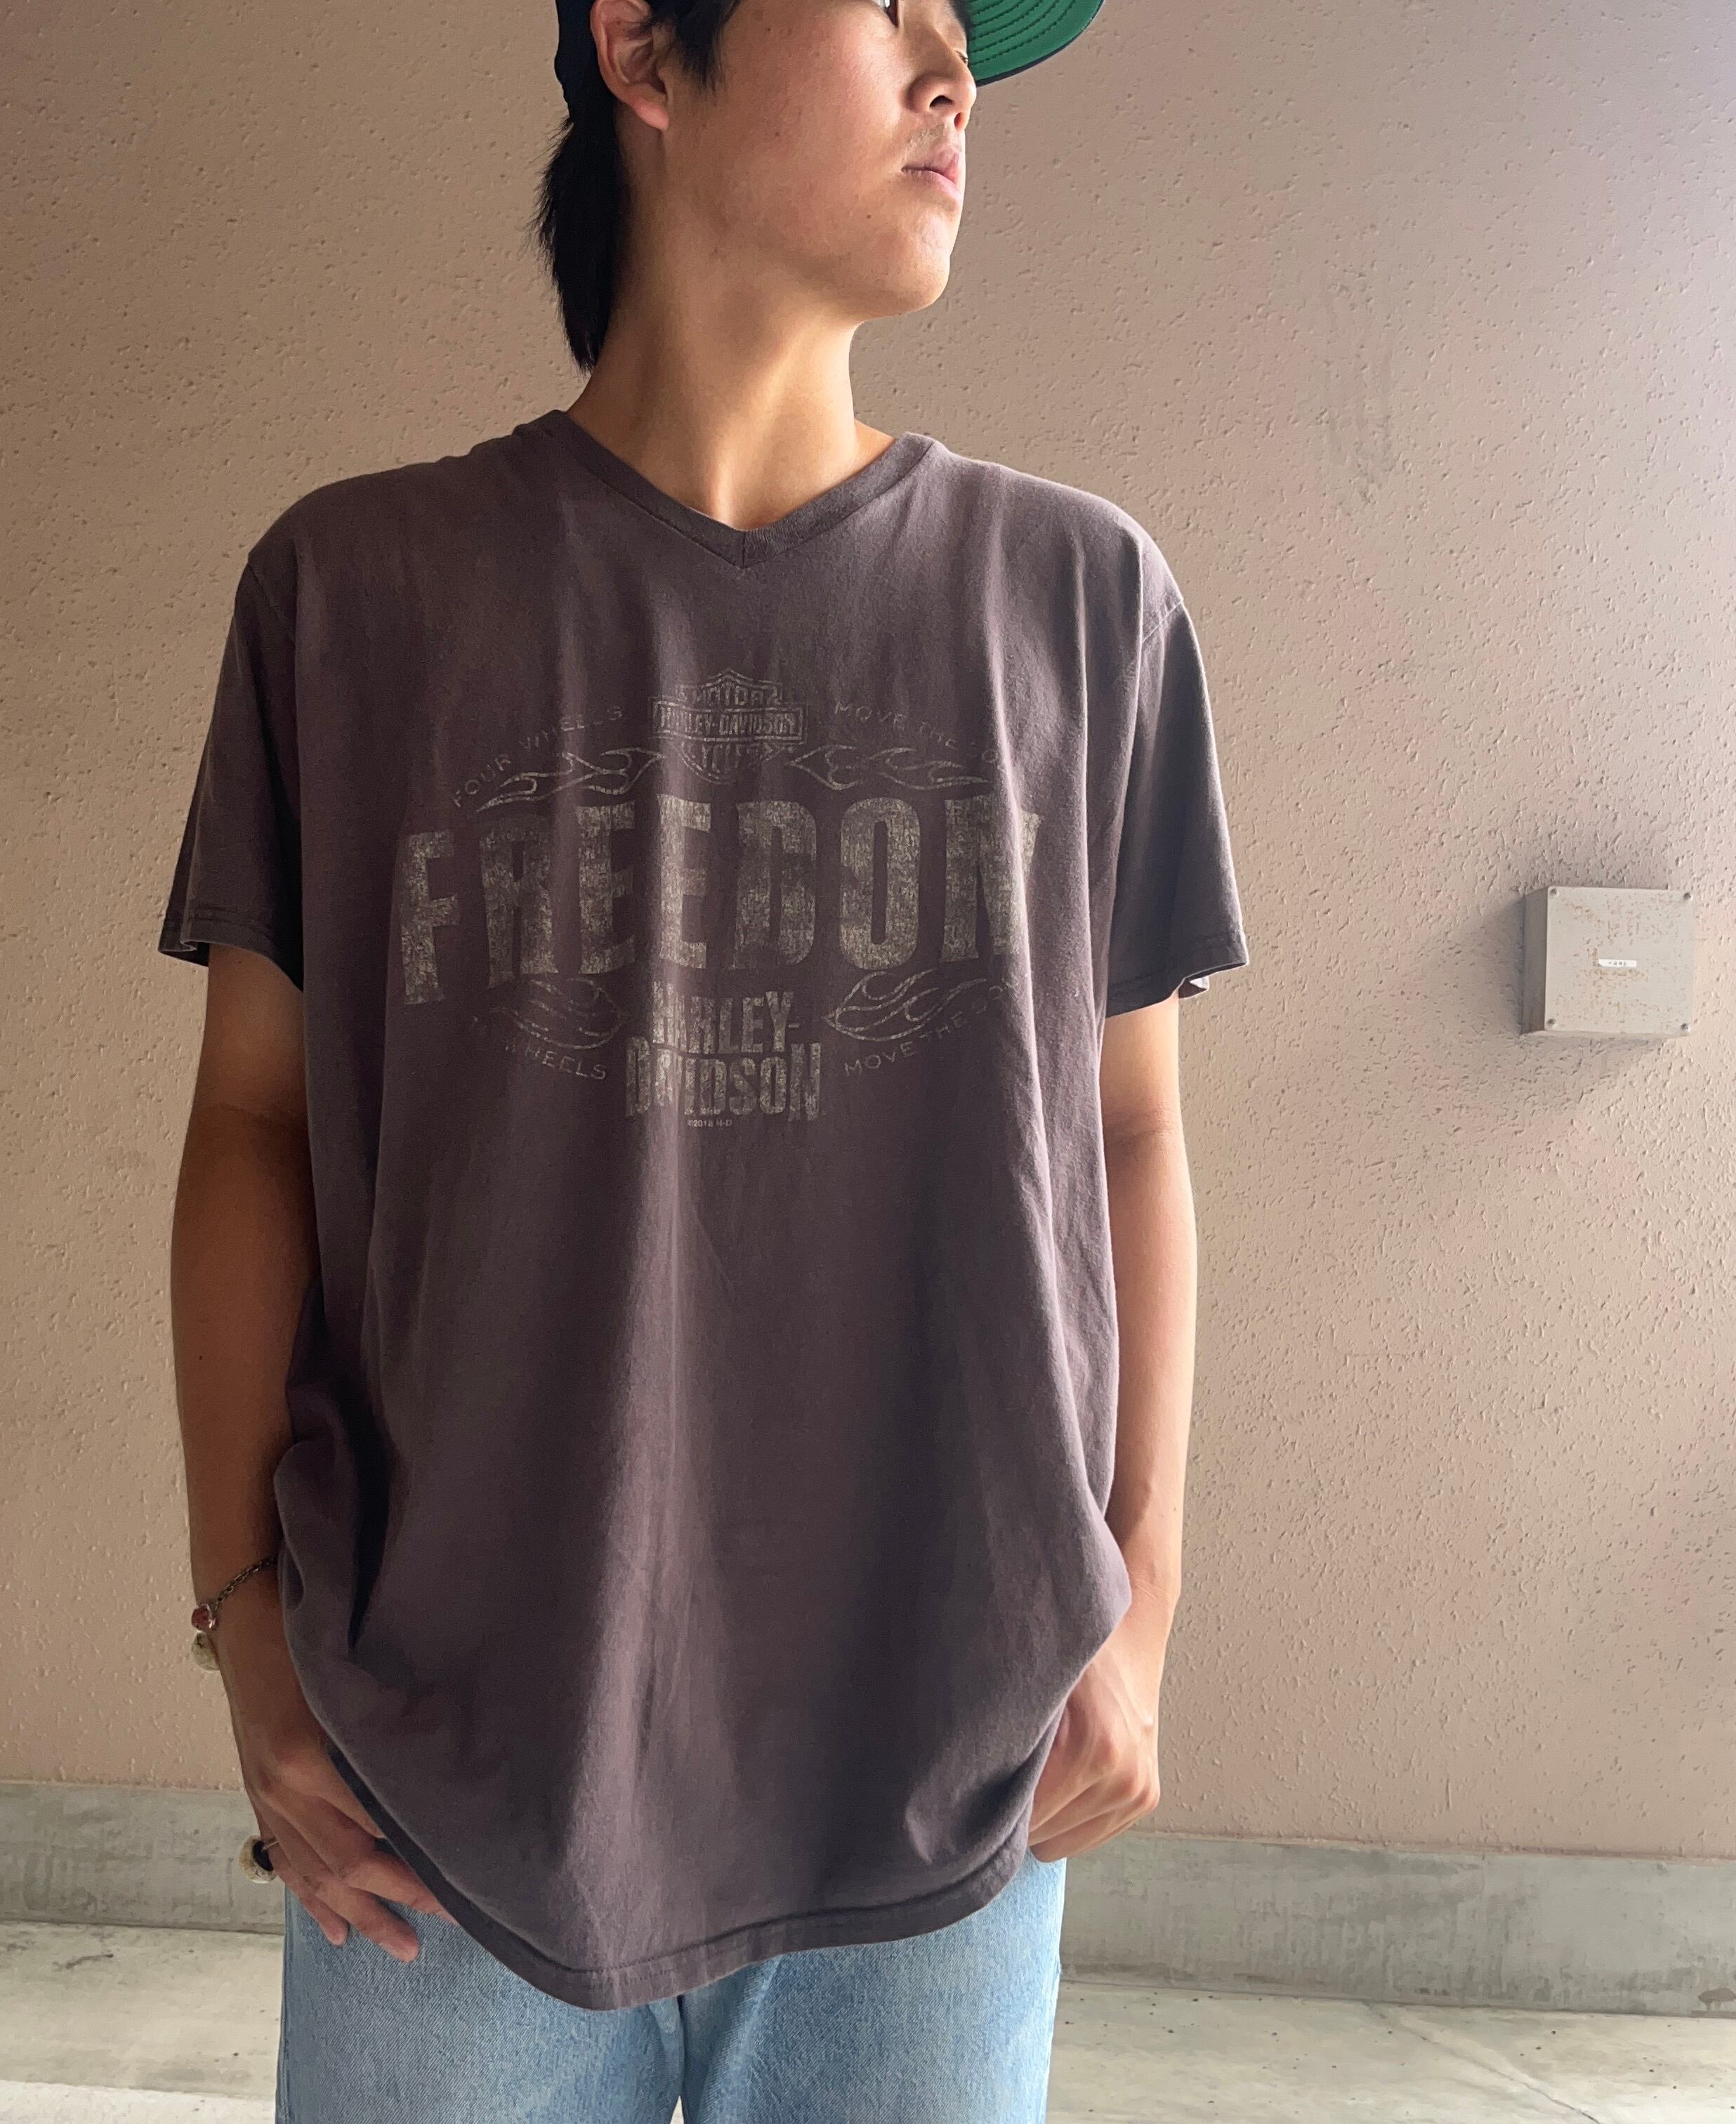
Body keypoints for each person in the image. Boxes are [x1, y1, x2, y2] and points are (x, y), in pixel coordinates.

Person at [161, 0, 1249, 2113]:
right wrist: (248, 1631)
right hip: (442, 1797)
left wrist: (1142, 1609)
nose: (955, 75)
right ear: (645, 50)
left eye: (966, 33)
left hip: (948, 1780)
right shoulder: (357, 596)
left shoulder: (1079, 606)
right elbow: (252, 1124)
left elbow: (1130, 1138)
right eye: (893, 8)